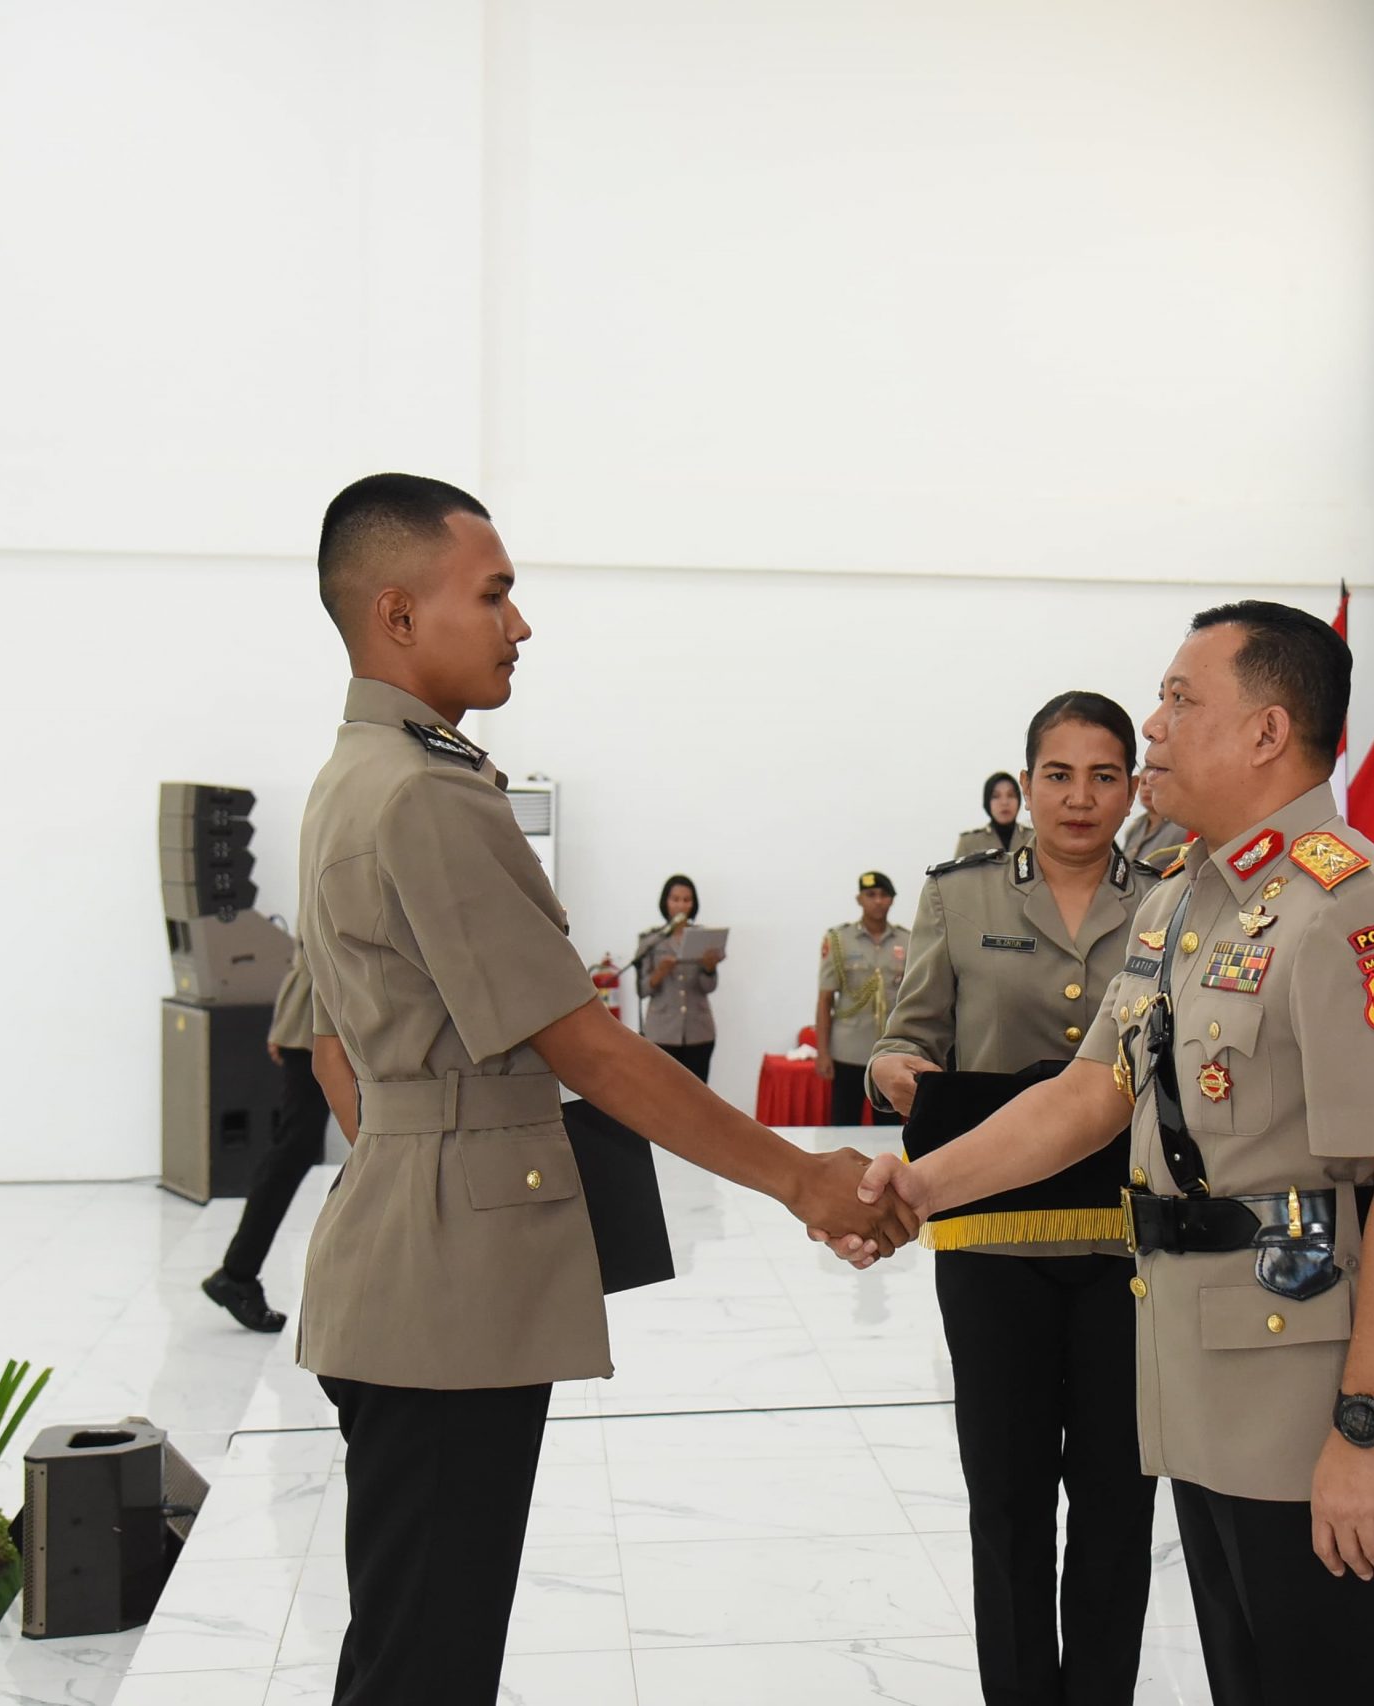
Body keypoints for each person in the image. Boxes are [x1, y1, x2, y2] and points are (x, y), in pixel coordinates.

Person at [292, 473, 914, 1702]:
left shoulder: (360, 772)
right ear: (398, 612)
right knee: (427, 1660)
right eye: (495, 594)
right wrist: (801, 1178)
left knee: (415, 1639)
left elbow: (359, 1043)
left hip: (411, 1241)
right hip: (448, 1276)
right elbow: (587, 1046)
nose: (519, 623)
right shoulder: (423, 792)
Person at [828, 600, 1374, 1705]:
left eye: (1180, 699)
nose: (1155, 724)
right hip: (1203, 1383)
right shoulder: (1183, 902)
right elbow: (1090, 1093)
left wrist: (1369, 1427)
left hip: (1312, 1393)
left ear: (1266, 732)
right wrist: (917, 1185)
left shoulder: (1350, 911)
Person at [868, 691, 1158, 1706]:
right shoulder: (960, 895)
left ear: (1132, 787)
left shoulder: (1171, 897)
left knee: (1120, 1499)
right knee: (1006, 1497)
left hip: (1132, 1241)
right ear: (1024, 784)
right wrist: (894, 1071)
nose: (1080, 798)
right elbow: (906, 1034)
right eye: (1058, 775)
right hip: (990, 1237)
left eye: (1104, 775)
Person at [201, 940, 360, 1331]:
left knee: (296, 1148)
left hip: (315, 1019)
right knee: (297, 1148)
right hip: (321, 1023)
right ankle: (237, 1272)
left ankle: (238, 1272)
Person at [814, 872, 910, 1126]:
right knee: (844, 1124)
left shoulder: (908, 940)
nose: (878, 901)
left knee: (888, 1128)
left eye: (884, 895)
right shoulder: (839, 940)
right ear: (859, 899)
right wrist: (823, 1052)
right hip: (849, 1049)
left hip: (889, 1050)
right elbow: (825, 1000)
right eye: (871, 895)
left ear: (892, 900)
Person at [636, 873, 723, 1082]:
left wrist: (709, 969)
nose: (681, 905)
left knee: (697, 1094)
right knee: (662, 1094)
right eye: (675, 899)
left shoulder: (702, 938)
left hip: (699, 1032)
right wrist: (660, 972)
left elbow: (709, 987)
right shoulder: (651, 940)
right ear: (665, 902)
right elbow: (642, 990)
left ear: (693, 904)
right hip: (662, 1033)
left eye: (686, 900)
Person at [1119, 766, 1189, 868]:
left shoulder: (1183, 827)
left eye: (1153, 783)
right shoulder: (1135, 828)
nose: (1147, 789)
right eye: (1143, 783)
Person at [955, 770, 1033, 858]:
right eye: (996, 796)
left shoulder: (1034, 837)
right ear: (987, 802)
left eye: (1011, 795)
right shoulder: (969, 842)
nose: (1004, 802)